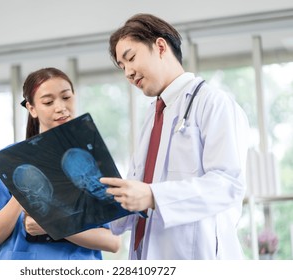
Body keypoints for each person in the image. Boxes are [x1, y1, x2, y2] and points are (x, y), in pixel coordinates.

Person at [100, 13, 249, 260]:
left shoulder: (214, 103)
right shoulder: (152, 116)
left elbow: (228, 184)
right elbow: (139, 190)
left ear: (160, 46)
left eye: (131, 58)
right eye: (122, 66)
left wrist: (152, 196)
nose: (127, 72)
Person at [0, 67, 120, 260]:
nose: (60, 107)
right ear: (32, 108)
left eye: (66, 97)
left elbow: (113, 242)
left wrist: (55, 226)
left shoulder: (88, 159)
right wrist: (22, 191)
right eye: (48, 102)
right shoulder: (9, 160)